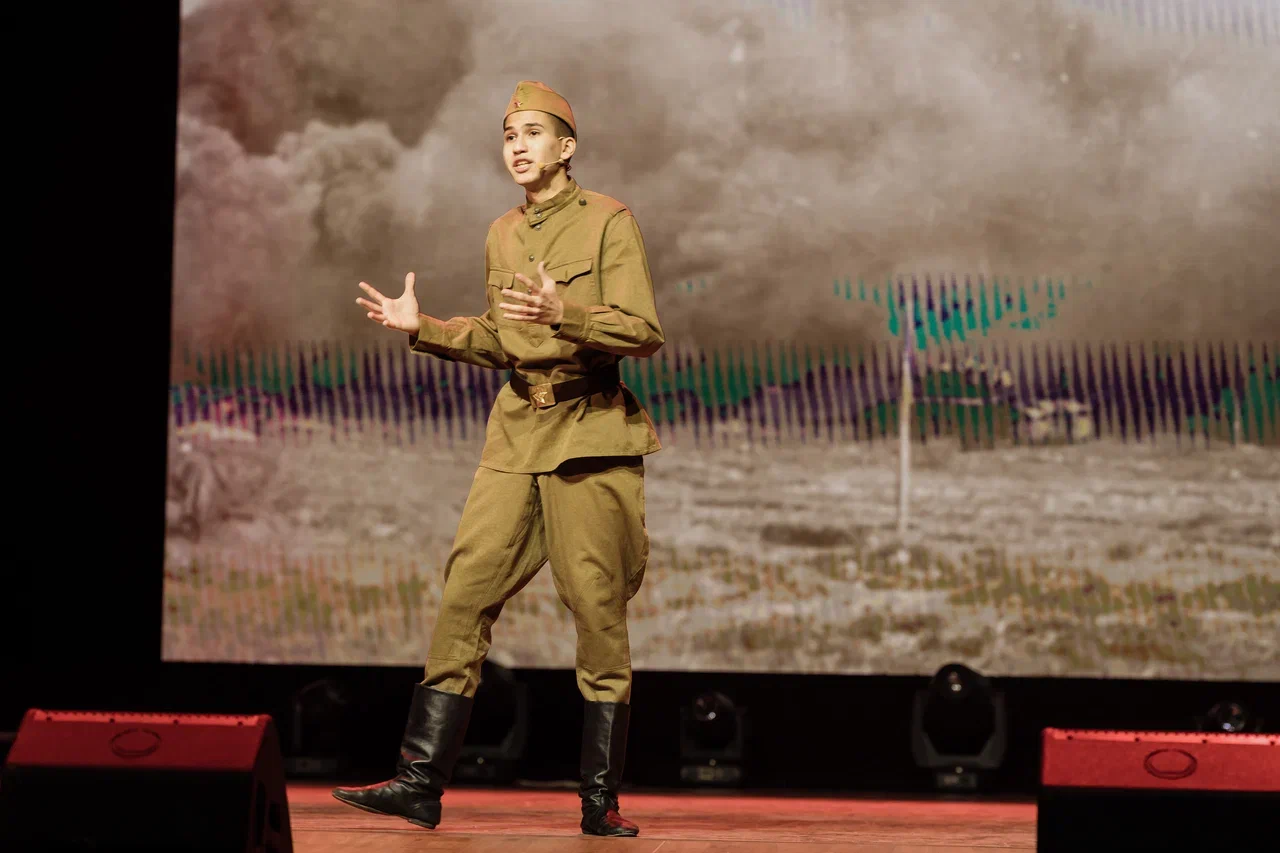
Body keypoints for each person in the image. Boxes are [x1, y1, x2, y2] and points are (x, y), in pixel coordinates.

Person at [332, 80, 663, 838]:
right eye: (509, 134)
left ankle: (599, 799)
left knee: (597, 612)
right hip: (516, 434)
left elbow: (644, 329)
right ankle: (420, 781)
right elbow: (497, 337)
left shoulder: (609, 221)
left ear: (566, 147)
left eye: (533, 133)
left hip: (589, 434)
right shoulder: (502, 233)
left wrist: (565, 313)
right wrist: (425, 328)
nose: (517, 146)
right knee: (465, 592)